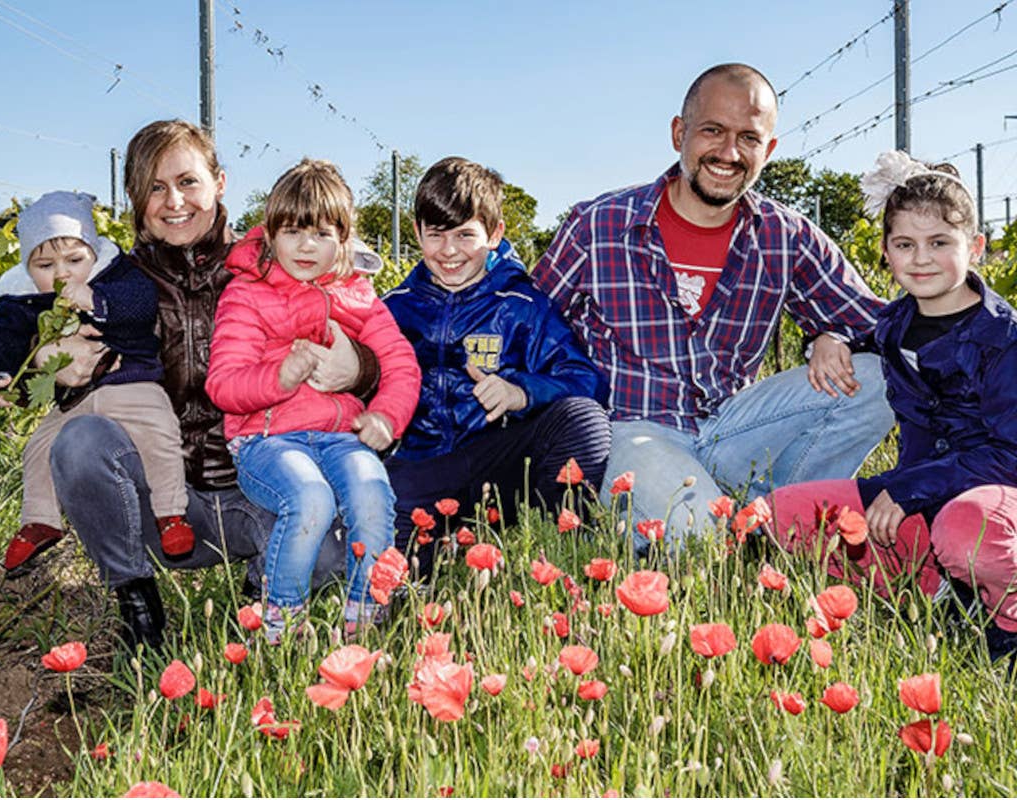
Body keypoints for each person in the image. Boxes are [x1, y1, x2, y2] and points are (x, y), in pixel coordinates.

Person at [532, 63, 894, 555]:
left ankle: (787, 509)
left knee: (881, 376)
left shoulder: (785, 235)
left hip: (736, 425)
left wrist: (833, 336)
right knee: (704, 539)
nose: (728, 153)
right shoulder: (599, 226)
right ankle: (741, 529)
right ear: (680, 133)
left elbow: (884, 324)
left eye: (748, 137)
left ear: (768, 150)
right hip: (637, 430)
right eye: (712, 131)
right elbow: (528, 331)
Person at [43, 120, 378, 650]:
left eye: (188, 182)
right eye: (155, 187)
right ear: (135, 198)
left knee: (334, 559)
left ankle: (258, 587)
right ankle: (136, 599)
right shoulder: (111, 286)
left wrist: (360, 367)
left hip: (261, 488)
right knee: (80, 443)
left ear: (220, 183)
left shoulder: (275, 263)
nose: (174, 201)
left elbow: (366, 330)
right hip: (165, 503)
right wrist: (61, 371)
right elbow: (60, 378)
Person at [770, 152, 1017, 668]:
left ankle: (1006, 623)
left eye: (939, 243)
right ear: (885, 252)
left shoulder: (1005, 338)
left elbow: (1010, 454)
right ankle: (937, 589)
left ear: (975, 247)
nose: (921, 259)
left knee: (965, 530)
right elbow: (862, 337)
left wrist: (908, 489)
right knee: (782, 516)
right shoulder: (895, 323)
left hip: (994, 504)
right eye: (905, 244)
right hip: (916, 499)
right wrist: (828, 336)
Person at [207, 159, 420, 641]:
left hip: (338, 435)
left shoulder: (358, 296)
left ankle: (367, 615)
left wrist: (386, 417)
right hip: (265, 439)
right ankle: (282, 620)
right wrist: (278, 377)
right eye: (293, 231)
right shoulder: (247, 294)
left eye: (323, 233)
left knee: (372, 489)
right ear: (270, 236)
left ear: (343, 240)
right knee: (309, 497)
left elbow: (401, 365)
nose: (306, 246)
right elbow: (223, 384)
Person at [384, 157, 610, 574]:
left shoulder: (523, 306)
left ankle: (566, 556)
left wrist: (519, 392)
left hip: (501, 466)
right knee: (382, 552)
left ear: (495, 234)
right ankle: (436, 561)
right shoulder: (392, 309)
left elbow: (587, 382)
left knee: (581, 418)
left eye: (465, 235)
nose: (450, 251)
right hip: (422, 467)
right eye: (436, 235)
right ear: (416, 233)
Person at [0, 191, 195, 572]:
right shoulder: (24, 302)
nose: (61, 274)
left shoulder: (116, 277)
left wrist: (96, 300)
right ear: (27, 269)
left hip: (131, 384)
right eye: (44, 265)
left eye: (74, 260)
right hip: (74, 399)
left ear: (93, 254)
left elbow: (141, 305)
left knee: (160, 428)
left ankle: (170, 512)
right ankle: (40, 520)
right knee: (39, 446)